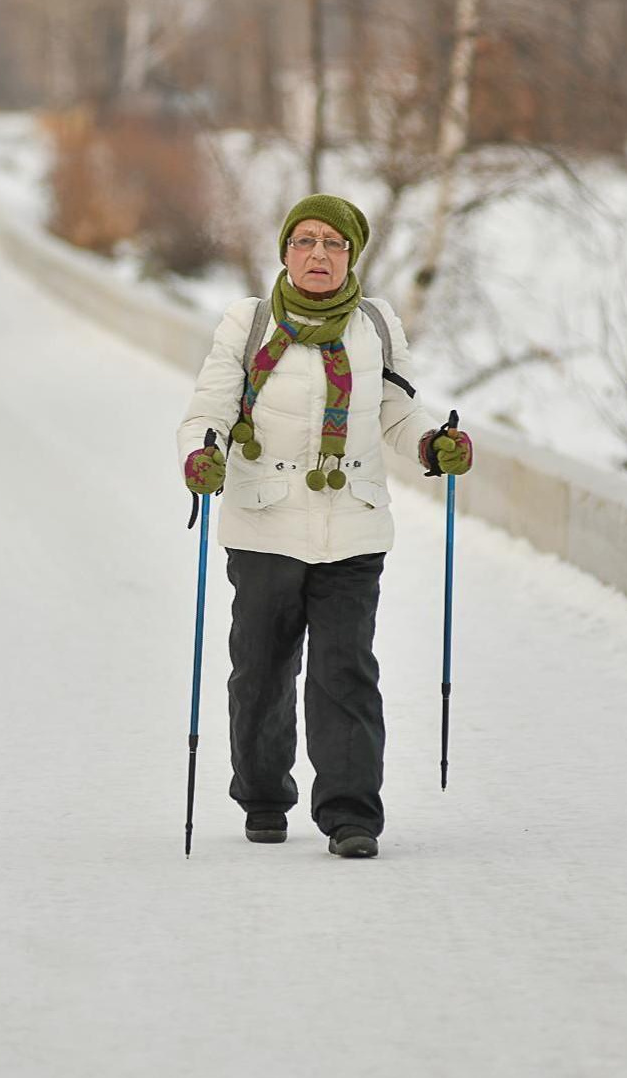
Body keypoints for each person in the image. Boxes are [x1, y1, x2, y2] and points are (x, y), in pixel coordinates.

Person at [178, 194, 474, 859]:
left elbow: (395, 410)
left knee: (345, 670)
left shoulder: (374, 324)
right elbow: (211, 406)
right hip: (263, 521)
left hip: (352, 525)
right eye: (305, 241)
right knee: (260, 670)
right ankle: (262, 794)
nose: (318, 255)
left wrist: (431, 445)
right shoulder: (247, 323)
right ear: (284, 251)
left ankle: (350, 816)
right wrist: (202, 453)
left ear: (351, 255)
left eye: (333, 244)